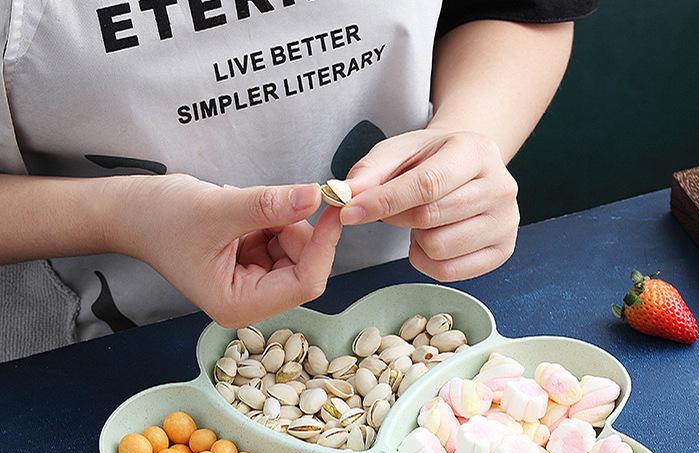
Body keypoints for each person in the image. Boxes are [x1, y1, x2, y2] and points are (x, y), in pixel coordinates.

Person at [0, 0, 596, 361]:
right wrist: (122, 215)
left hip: (406, 310)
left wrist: (467, 138)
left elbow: (521, 11)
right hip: (92, 353)